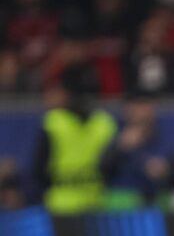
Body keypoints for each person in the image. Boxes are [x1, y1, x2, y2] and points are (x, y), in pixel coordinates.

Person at [31, 65, 117, 213]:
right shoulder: (105, 123)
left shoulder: (53, 122)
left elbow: (38, 170)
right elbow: (113, 168)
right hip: (96, 202)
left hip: (62, 205)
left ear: (67, 93)